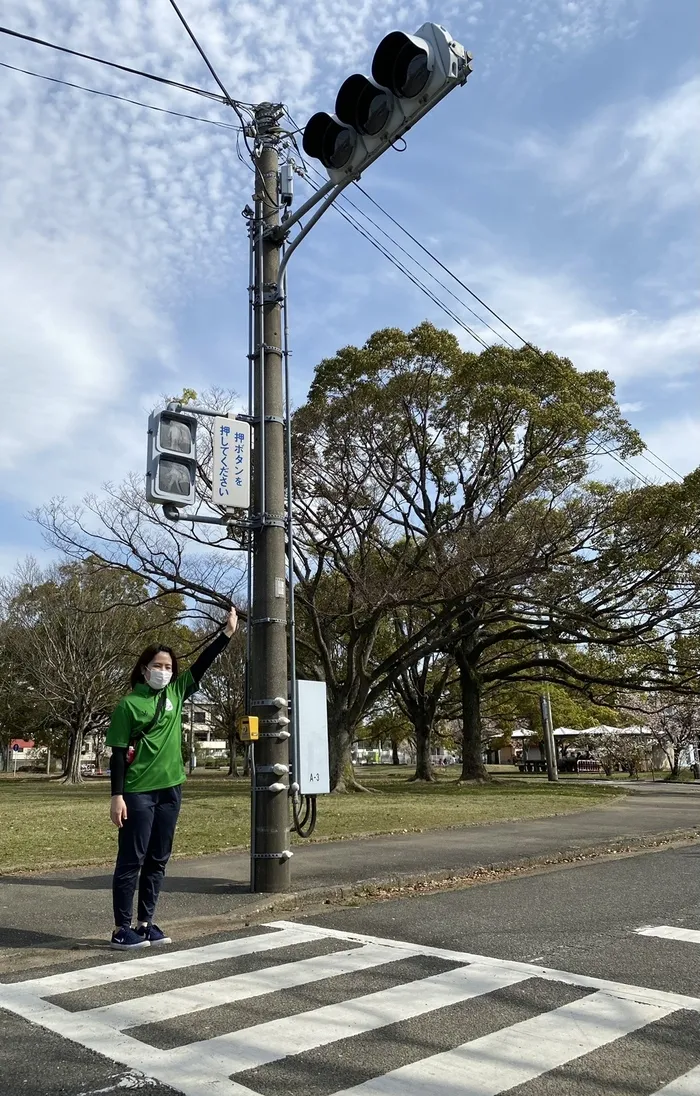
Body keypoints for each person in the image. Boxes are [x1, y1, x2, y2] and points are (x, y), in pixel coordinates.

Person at [106, 607, 238, 950]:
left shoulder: (175, 693)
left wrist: (225, 634)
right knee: (131, 859)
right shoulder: (128, 705)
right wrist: (116, 796)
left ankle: (145, 922)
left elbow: (202, 664)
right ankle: (122, 928)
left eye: (168, 667)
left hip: (170, 788)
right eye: (158, 666)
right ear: (144, 668)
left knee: (158, 858)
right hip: (137, 792)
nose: (163, 671)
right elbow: (118, 753)